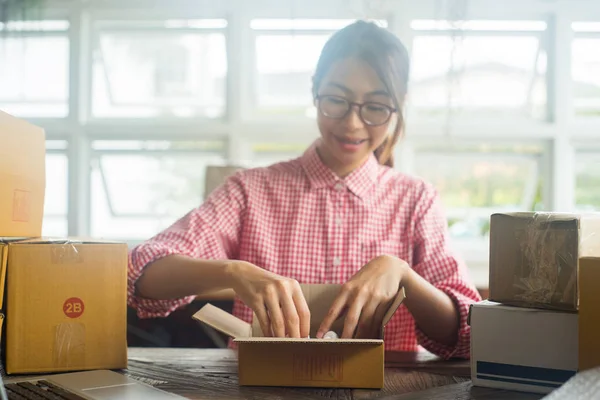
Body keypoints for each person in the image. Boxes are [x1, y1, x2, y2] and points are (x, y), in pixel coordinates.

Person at [127, 20, 482, 359]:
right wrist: (233, 272)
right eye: (336, 99)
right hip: (264, 389)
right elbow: (141, 275)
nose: (352, 123)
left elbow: (466, 332)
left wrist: (403, 275)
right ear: (315, 90)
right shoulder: (249, 191)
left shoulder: (417, 200)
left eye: (375, 107)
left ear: (398, 105)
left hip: (390, 389)